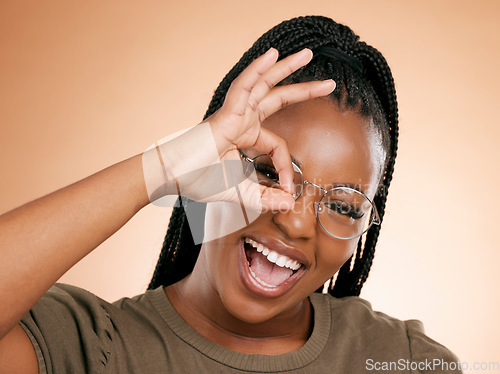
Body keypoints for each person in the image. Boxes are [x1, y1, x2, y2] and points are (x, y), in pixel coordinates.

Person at [0, 15, 462, 374]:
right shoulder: (89, 348)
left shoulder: (403, 359)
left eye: (343, 206)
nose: (296, 222)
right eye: (267, 170)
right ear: (211, 165)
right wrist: (162, 169)